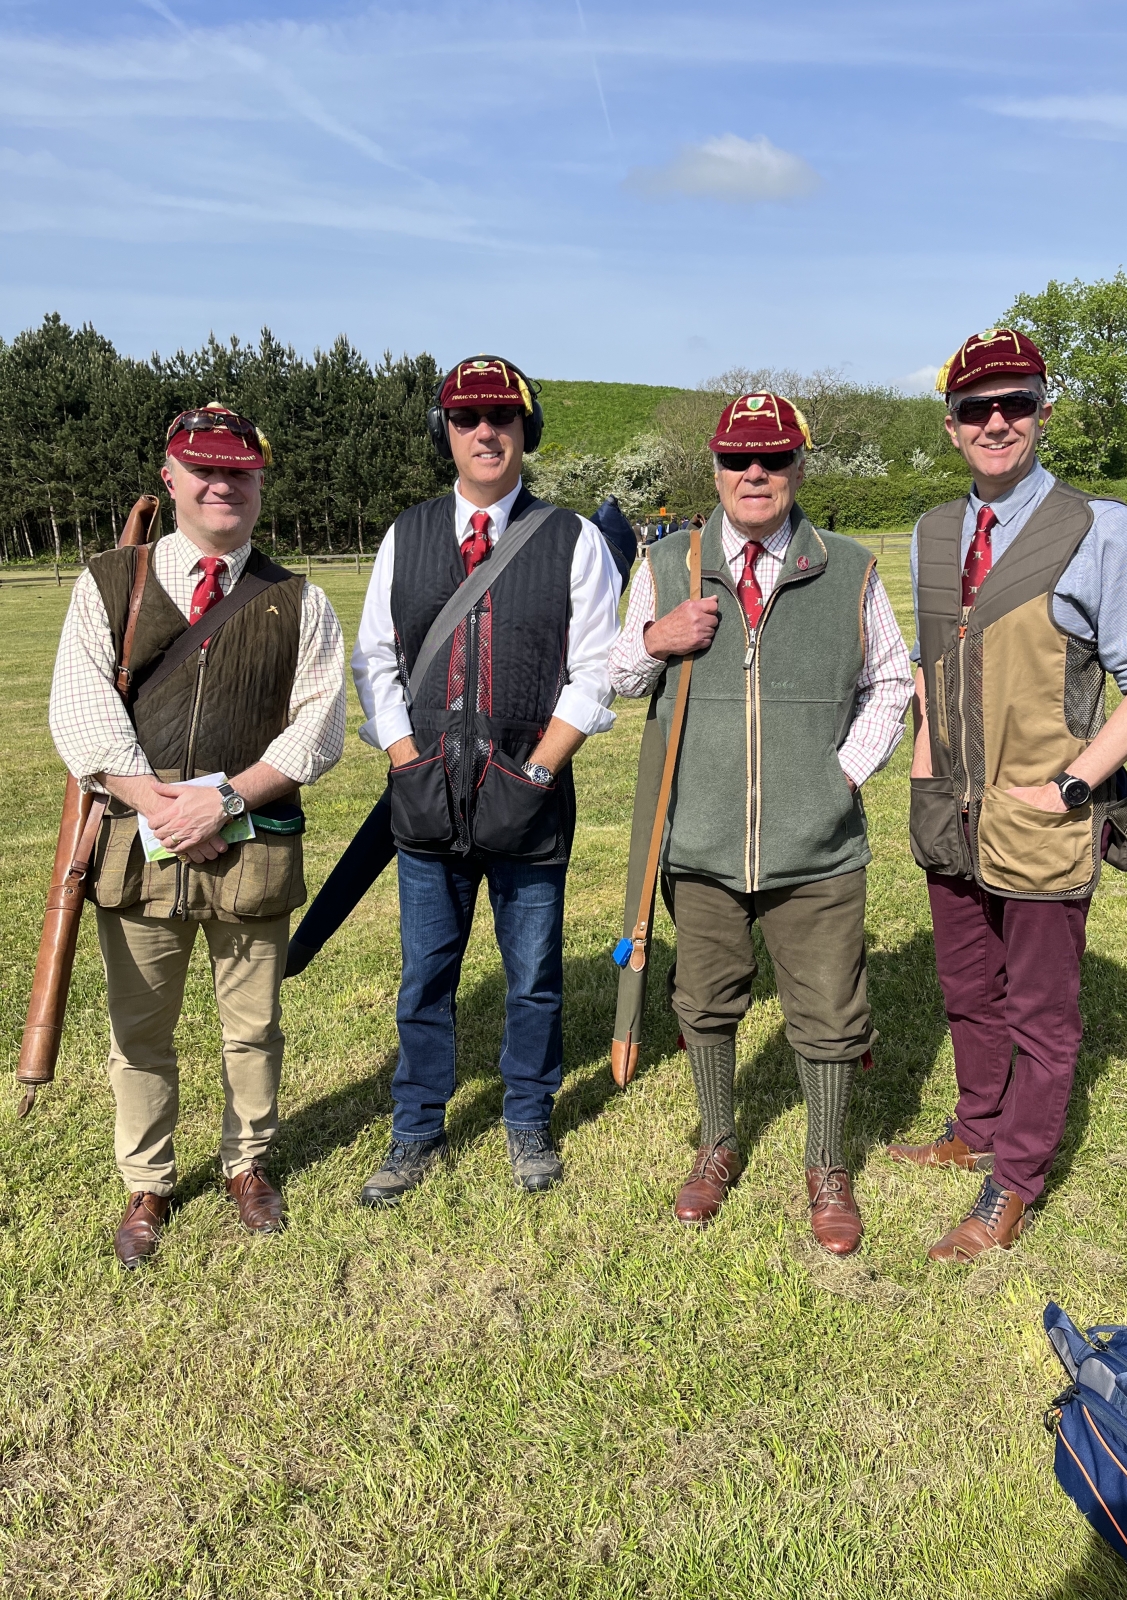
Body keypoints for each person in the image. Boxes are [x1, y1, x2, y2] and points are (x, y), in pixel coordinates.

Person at [894, 328, 1127, 1262]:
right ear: (951, 426)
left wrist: (1073, 786)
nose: (996, 422)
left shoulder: (1103, 527)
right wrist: (924, 770)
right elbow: (938, 667)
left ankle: (1013, 1181)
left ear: (1042, 412)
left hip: (1042, 815)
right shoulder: (932, 532)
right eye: (977, 408)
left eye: (1015, 403)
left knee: (1043, 1017)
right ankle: (975, 1124)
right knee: (967, 990)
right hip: (951, 813)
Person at [608, 392, 912, 1252]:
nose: (755, 474)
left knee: (829, 1011)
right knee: (704, 1002)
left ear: (797, 468)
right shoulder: (668, 562)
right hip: (698, 837)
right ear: (714, 467)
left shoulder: (848, 566)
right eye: (739, 459)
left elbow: (892, 680)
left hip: (816, 846)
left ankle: (826, 1164)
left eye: (773, 459)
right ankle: (717, 1143)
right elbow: (615, 675)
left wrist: (843, 773)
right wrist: (659, 638)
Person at [48, 404, 346, 1268]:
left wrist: (222, 803)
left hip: (252, 847)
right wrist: (165, 809)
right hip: (137, 854)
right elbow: (81, 711)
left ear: (259, 484)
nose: (222, 485)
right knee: (140, 1031)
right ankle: (148, 1181)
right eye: (203, 469)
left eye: (239, 472)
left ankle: (246, 1166)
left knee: (252, 1027)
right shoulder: (108, 581)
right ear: (171, 477)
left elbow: (317, 728)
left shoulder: (302, 599)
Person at [352, 356, 621, 1202]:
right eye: (466, 418)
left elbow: (595, 669)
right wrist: (405, 759)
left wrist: (540, 767)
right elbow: (376, 661)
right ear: (447, 434)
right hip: (426, 791)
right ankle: (417, 1127)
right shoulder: (408, 532)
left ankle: (528, 1117)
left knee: (533, 973)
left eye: (501, 417)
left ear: (524, 430)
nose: (484, 431)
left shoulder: (572, 538)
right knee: (425, 972)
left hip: (530, 794)